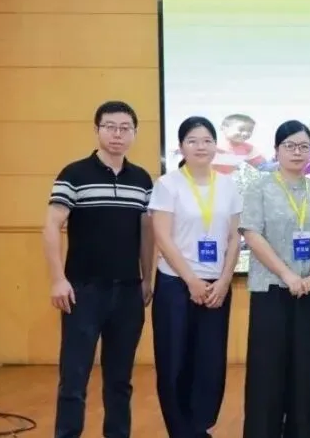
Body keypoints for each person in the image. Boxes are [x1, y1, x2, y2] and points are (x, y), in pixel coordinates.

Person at [44, 100, 154, 438]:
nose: (117, 134)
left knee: (120, 381)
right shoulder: (74, 174)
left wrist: (147, 278)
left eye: (125, 128)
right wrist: (58, 279)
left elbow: (146, 234)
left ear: (134, 133)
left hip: (128, 291)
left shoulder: (142, 179)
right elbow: (52, 225)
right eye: (110, 127)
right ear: (97, 130)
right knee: (74, 378)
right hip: (83, 291)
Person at [149, 116, 243, 438]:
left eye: (207, 140)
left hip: (217, 286)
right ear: (181, 147)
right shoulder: (168, 184)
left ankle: (201, 427)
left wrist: (225, 281)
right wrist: (190, 280)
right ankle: (181, 431)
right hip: (176, 284)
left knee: (210, 363)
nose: (200, 146)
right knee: (174, 362)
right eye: (192, 140)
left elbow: (234, 238)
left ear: (216, 146)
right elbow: (163, 237)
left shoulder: (228, 185)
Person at [240, 120, 310, 437]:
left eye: (304, 146)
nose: (297, 152)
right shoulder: (259, 187)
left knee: (306, 376)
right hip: (271, 291)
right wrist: (287, 274)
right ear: (276, 150)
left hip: (309, 292)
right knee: (267, 376)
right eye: (290, 146)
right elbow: (252, 233)